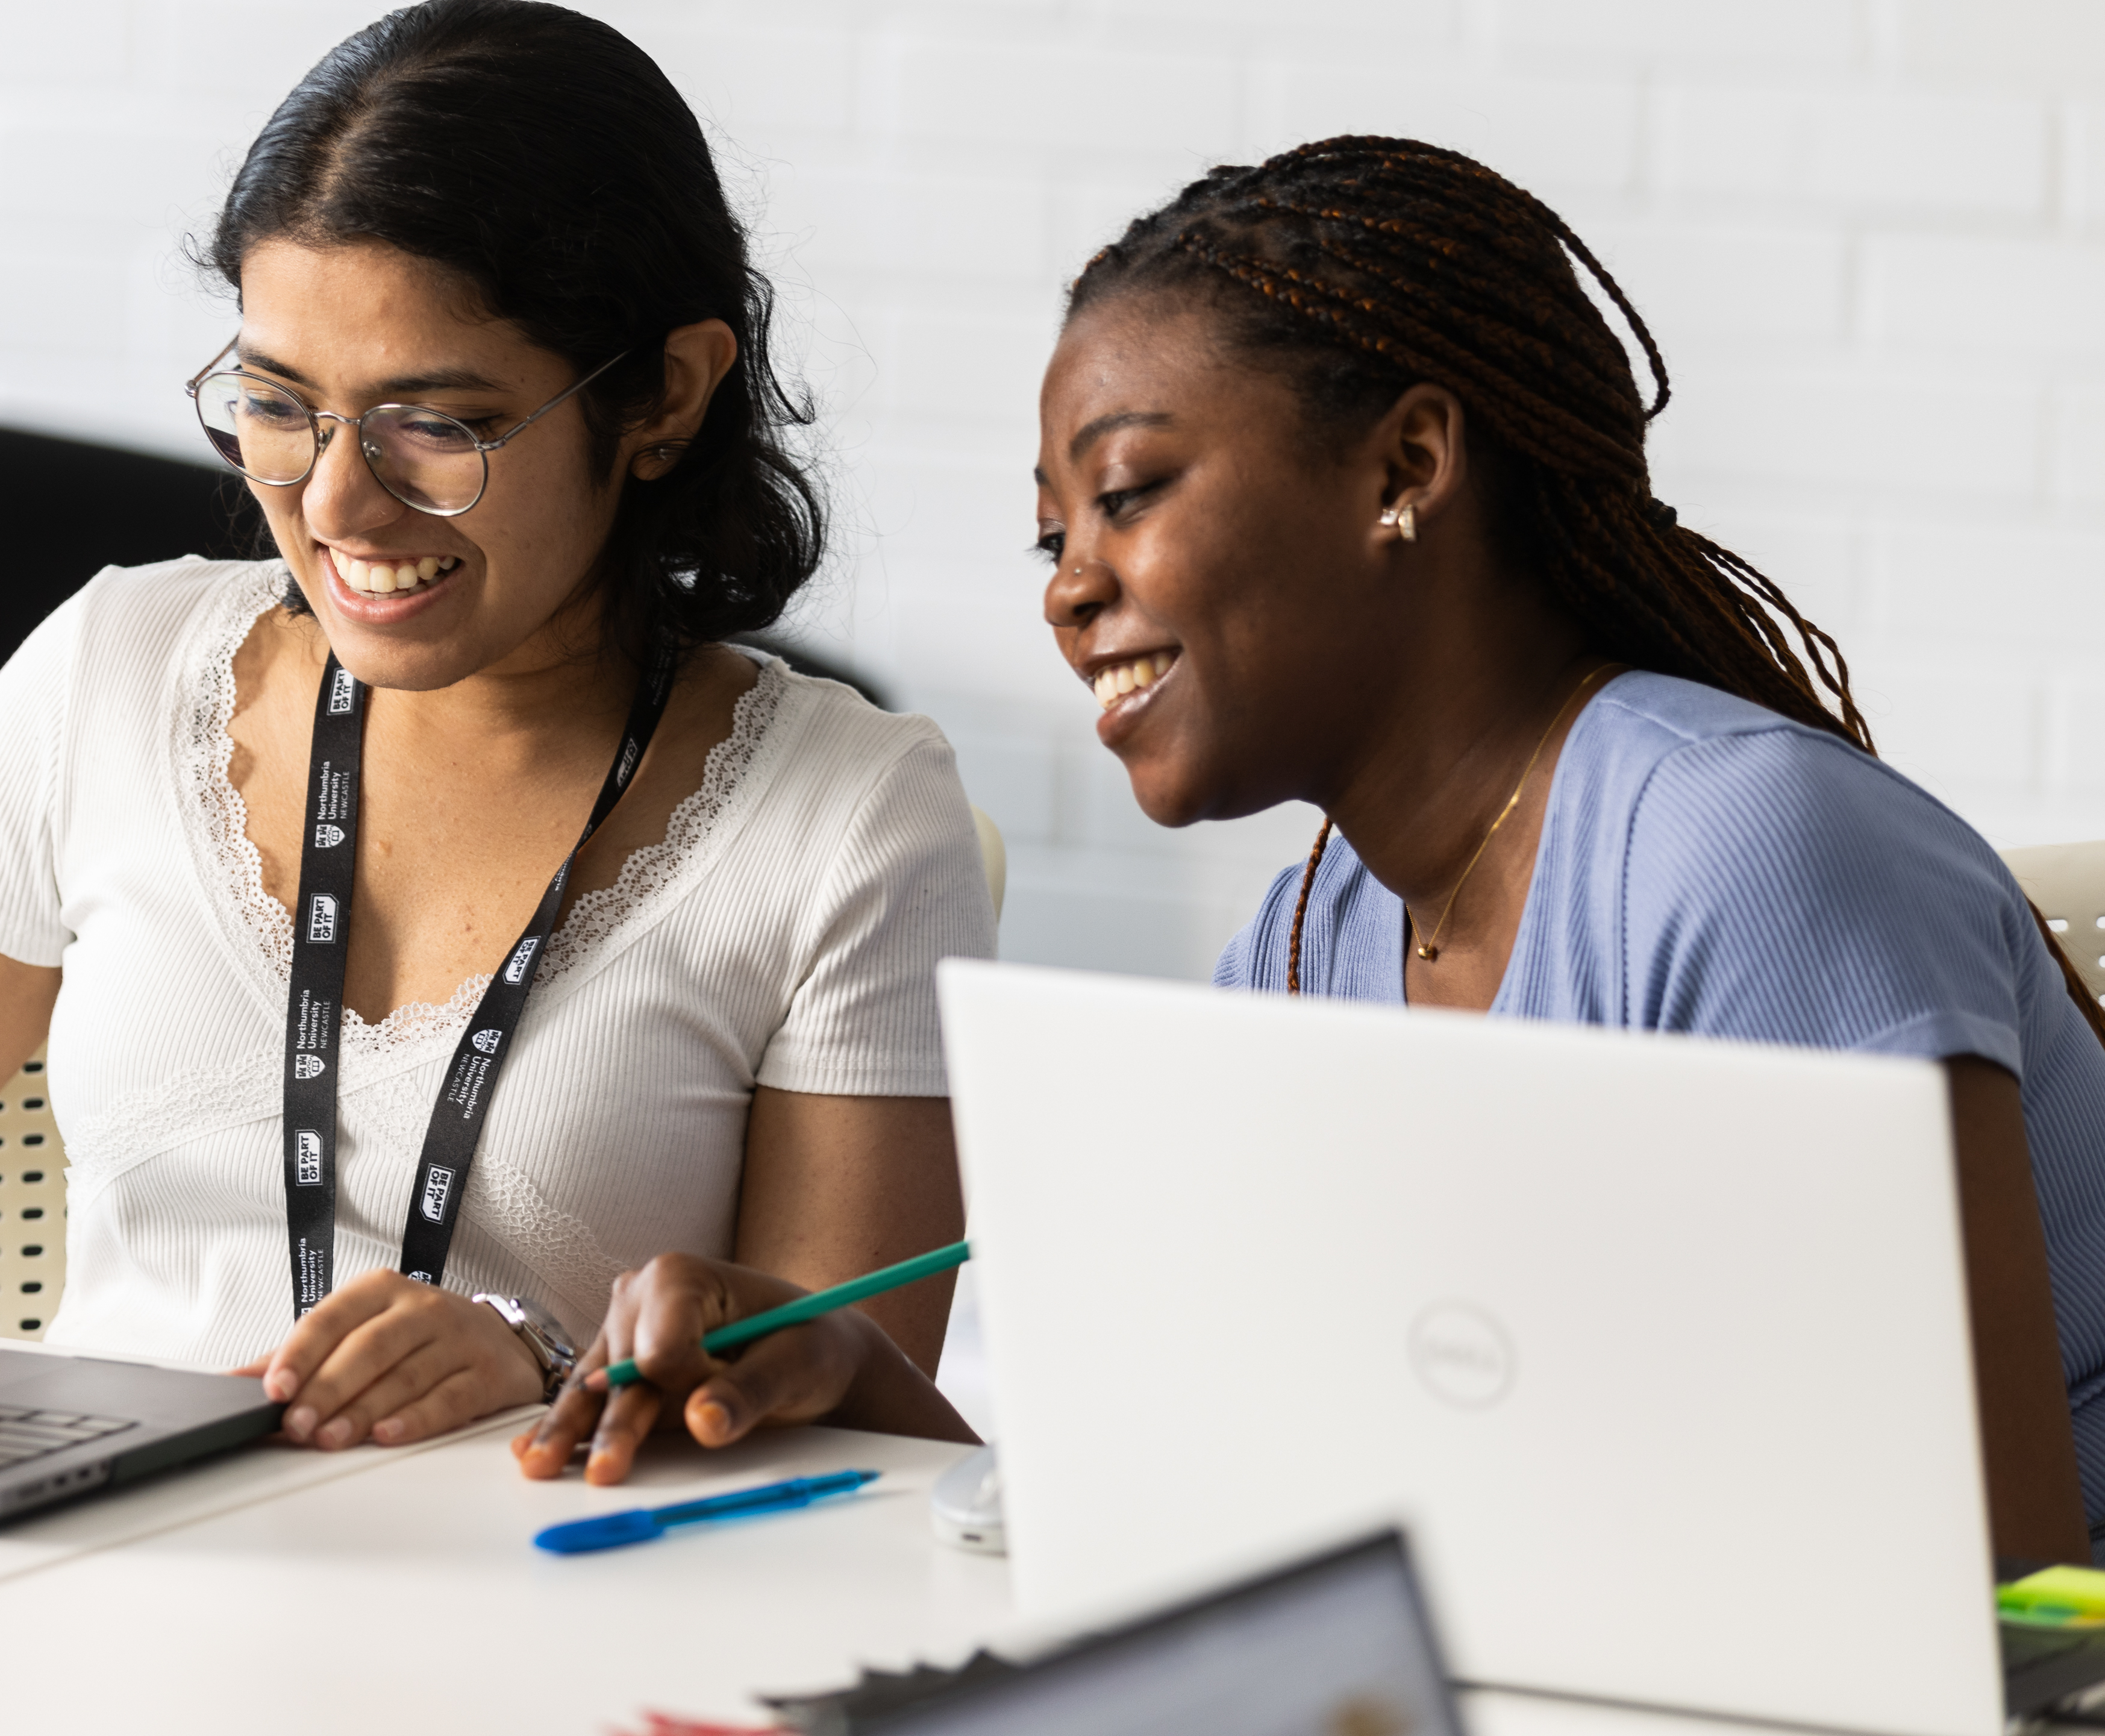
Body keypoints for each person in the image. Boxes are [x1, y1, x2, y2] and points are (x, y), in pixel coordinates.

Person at [531, 136, 2105, 1565]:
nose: (1068, 592)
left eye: (1128, 494)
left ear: (1406, 469)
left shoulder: (1748, 851)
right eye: (1050, 534)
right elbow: (1192, 1504)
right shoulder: (1309, 948)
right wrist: (852, 1383)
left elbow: (2002, 1597)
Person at [0, 0, 988, 1455]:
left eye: (437, 424)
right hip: (86, 1596)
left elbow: (852, 1447)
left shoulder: (848, 819)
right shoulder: (111, 670)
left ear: (665, 392)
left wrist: (538, 1362)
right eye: (279, 403)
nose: (336, 502)